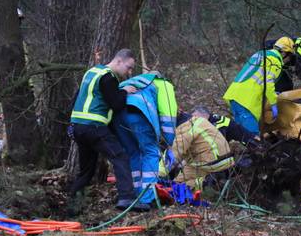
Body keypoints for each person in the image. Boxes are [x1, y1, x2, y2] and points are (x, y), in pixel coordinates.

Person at [67, 49, 138, 213]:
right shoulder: (109, 77)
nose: (129, 72)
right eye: (128, 67)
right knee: (120, 156)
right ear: (119, 61)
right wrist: (125, 91)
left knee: (86, 170)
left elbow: (76, 99)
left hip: (78, 127)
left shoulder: (91, 72)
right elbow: (116, 104)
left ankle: (71, 209)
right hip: (95, 127)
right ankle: (126, 198)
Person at [114, 71, 178, 211]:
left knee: (132, 154)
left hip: (117, 116)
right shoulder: (164, 84)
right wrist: (169, 141)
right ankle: (146, 198)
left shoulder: (134, 81)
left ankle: (134, 195)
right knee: (151, 153)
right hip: (138, 113)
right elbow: (168, 114)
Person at [222, 39, 284, 135]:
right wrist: (273, 102)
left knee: (243, 135)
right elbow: (268, 82)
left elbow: (257, 79)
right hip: (246, 100)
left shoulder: (261, 54)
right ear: (284, 53)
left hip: (235, 95)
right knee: (253, 137)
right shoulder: (275, 61)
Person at [169, 106, 235, 189]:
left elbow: (175, 152)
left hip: (210, 161)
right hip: (224, 158)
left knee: (177, 185)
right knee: (178, 180)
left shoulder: (183, 128)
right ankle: (213, 181)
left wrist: (159, 174)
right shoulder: (197, 121)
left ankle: (206, 182)